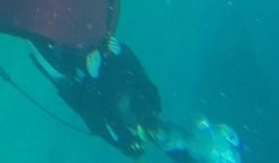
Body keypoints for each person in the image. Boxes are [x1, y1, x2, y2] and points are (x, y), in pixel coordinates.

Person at [32, 36, 243, 162]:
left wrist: (92, 78)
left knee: (44, 48)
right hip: (94, 57)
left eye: (165, 142)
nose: (161, 133)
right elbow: (136, 72)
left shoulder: (126, 140)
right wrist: (121, 51)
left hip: (72, 79)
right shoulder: (153, 101)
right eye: (172, 133)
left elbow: (92, 114)